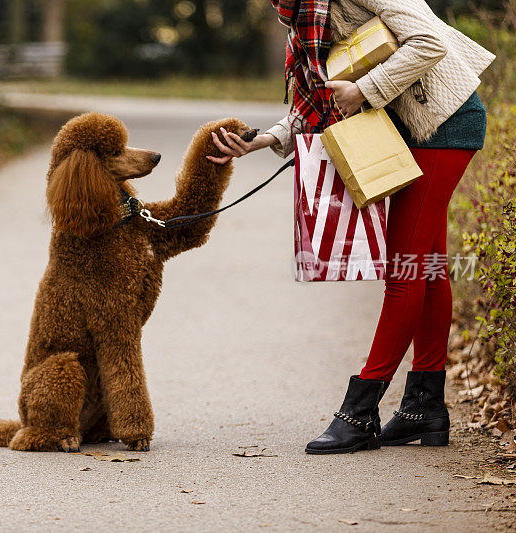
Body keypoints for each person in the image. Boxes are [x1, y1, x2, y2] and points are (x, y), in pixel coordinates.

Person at [209, 0, 495, 454]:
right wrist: (270, 137)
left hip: (444, 124)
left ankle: (361, 410)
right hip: (411, 131)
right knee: (428, 266)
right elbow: (321, 97)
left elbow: (429, 41)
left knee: (404, 270)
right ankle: (426, 407)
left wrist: (365, 89)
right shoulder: (301, 14)